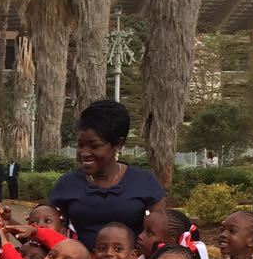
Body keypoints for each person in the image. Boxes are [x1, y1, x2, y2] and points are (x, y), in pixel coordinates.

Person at [48, 100, 167, 250]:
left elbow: (160, 235)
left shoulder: (145, 182)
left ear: (118, 143)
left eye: (95, 146)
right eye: (80, 145)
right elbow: (47, 232)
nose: (84, 153)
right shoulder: (67, 184)